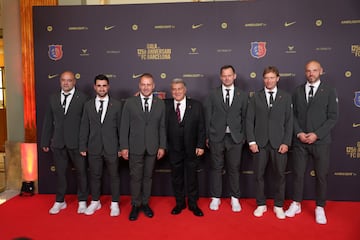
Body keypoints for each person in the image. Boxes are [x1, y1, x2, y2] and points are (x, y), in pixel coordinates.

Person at [285, 60, 339, 224]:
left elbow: (333, 117)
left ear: (321, 71)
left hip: (321, 142)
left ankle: (320, 207)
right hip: (300, 141)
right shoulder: (297, 91)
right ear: (305, 72)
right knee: (298, 175)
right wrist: (299, 132)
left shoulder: (329, 91)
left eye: (314, 70)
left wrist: (317, 134)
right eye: (308, 71)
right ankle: (296, 203)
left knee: (321, 176)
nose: (311, 73)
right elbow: (292, 115)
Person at [246, 66, 293, 219]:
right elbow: (249, 121)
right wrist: (251, 141)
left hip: (279, 143)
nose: (269, 80)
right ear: (263, 79)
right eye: (266, 78)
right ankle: (261, 204)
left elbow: (289, 122)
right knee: (258, 175)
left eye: (272, 77)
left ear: (277, 78)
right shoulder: (255, 97)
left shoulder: (285, 97)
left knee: (280, 176)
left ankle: (278, 206)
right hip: (259, 144)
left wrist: (286, 142)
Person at [40, 71, 89, 215]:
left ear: (74, 82)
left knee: (81, 173)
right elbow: (48, 120)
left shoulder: (83, 98)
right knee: (60, 173)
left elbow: (86, 124)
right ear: (60, 81)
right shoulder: (53, 98)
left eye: (69, 80)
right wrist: (45, 140)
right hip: (58, 142)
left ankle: (82, 200)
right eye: (63, 80)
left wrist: (84, 143)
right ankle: (60, 201)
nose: (66, 83)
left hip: (77, 143)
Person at [120, 73, 166, 221]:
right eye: (143, 84)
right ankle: (135, 204)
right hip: (134, 147)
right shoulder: (129, 102)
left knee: (148, 177)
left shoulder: (160, 103)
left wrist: (162, 146)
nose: (146, 87)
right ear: (139, 85)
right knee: (135, 178)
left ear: (153, 86)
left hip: (153, 147)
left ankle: (145, 204)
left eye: (149, 84)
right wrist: (124, 147)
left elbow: (162, 127)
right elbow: (124, 127)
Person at [204, 65, 248, 212]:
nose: (227, 78)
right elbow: (207, 116)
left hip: (235, 138)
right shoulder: (212, 94)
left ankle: (235, 198)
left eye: (230, 75)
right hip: (217, 137)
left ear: (234, 76)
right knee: (216, 168)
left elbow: (245, 117)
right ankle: (215, 197)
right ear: (220, 77)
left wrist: (243, 137)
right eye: (224, 75)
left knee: (234, 169)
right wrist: (208, 136)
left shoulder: (242, 95)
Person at [79, 74, 122, 217]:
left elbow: (121, 128)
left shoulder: (117, 104)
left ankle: (115, 203)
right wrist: (82, 146)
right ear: (94, 87)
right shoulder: (88, 105)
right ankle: (95, 201)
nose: (102, 88)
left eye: (104, 85)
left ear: (108, 87)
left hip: (112, 147)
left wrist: (122, 148)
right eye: (99, 85)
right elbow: (84, 127)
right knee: (95, 176)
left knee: (114, 176)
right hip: (94, 147)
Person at [165, 78, 206, 217]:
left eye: (179, 88)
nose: (177, 92)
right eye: (174, 89)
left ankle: (193, 204)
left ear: (185, 90)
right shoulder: (165, 105)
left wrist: (200, 145)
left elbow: (201, 127)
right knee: (177, 178)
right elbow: (147, 100)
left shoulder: (196, 105)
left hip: (192, 148)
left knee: (192, 178)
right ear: (171, 91)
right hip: (174, 149)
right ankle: (180, 203)